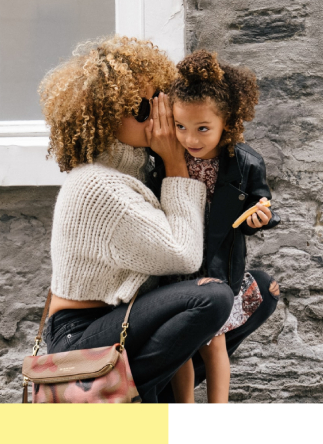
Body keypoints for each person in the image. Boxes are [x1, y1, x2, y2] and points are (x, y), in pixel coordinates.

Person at [37, 35, 235, 403]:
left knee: (258, 289)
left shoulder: (138, 171)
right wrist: (177, 164)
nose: (159, 115)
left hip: (126, 321)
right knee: (211, 297)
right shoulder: (97, 186)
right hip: (81, 335)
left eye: (160, 100)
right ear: (105, 116)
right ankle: (128, 397)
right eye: (141, 109)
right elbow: (183, 254)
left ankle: (156, 399)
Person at [146, 50, 282, 403]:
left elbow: (260, 203)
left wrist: (259, 217)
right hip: (178, 263)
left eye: (203, 128)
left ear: (228, 123)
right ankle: (185, 407)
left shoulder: (245, 163)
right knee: (184, 343)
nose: (191, 138)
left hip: (220, 264)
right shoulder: (166, 159)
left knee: (214, 340)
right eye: (181, 126)